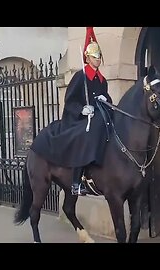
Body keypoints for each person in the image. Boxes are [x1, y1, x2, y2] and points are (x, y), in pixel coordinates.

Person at [30, 27, 113, 196]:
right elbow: (70, 101)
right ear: (87, 57)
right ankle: (76, 181)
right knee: (84, 136)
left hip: (99, 117)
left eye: (99, 57)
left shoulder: (102, 80)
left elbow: (107, 98)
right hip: (80, 119)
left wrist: (106, 100)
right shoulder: (80, 77)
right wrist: (83, 109)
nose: (97, 60)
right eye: (94, 57)